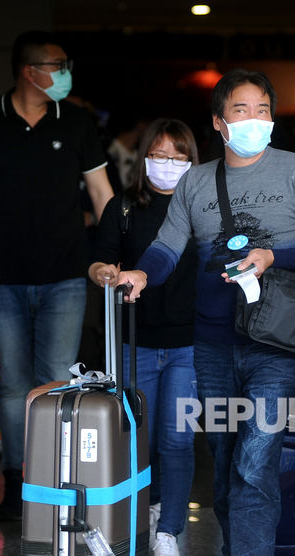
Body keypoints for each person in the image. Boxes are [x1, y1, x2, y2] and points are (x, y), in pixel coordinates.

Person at [117, 69, 295, 556]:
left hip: (276, 341)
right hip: (213, 342)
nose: (255, 119)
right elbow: (167, 247)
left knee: (255, 460)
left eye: (263, 110)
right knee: (224, 461)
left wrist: (273, 256)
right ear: (219, 122)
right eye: (242, 110)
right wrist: (141, 274)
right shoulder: (196, 182)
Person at [0, 30, 114, 521]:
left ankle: (51, 482)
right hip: (1, 278)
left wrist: (110, 254)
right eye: (57, 64)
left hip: (65, 275)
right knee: (15, 386)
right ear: (28, 71)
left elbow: (101, 195)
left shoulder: (76, 121)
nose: (65, 72)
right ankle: (16, 482)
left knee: (55, 383)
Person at [89, 118, 199, 556]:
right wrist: (105, 273)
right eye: (158, 155)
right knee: (140, 437)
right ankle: (150, 508)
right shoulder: (124, 207)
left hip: (190, 345)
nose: (168, 164)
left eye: (178, 156)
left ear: (193, 162)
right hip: (135, 342)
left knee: (178, 437)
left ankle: (170, 528)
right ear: (142, 159)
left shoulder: (202, 210)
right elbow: (99, 261)